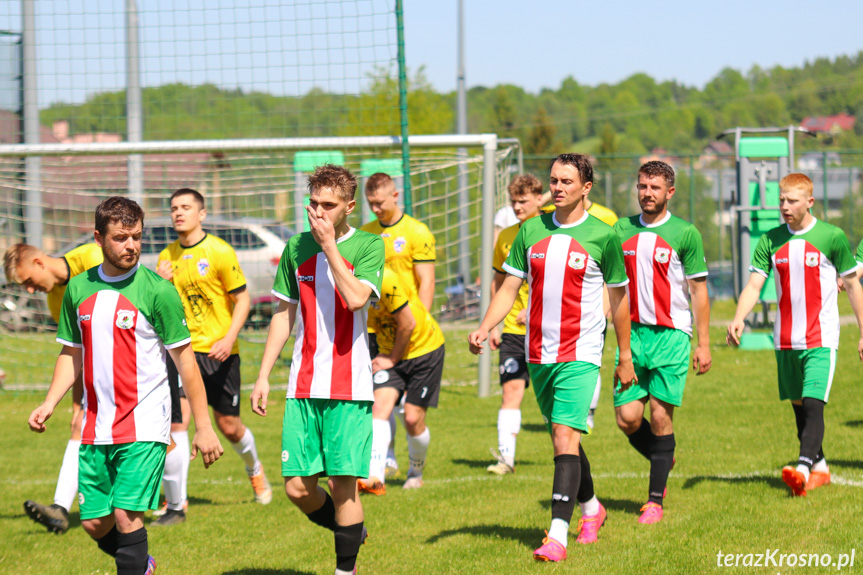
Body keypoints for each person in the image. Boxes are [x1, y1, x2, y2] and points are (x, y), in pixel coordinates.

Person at [27, 196, 223, 575]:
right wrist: (50, 401)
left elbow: (186, 362)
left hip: (145, 423)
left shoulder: (158, 291)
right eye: (121, 237)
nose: (131, 245)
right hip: (96, 426)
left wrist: (204, 426)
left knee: (125, 515)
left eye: (136, 236)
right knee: (93, 522)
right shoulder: (78, 289)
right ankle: (141, 566)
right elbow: (72, 353)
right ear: (98, 239)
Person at [469, 153, 635, 561]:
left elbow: (619, 300)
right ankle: (593, 508)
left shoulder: (604, 235)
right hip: (537, 350)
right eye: (554, 180)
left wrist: (625, 355)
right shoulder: (529, 231)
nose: (558, 187)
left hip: (581, 351)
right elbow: (509, 288)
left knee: (563, 434)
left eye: (566, 181)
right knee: (566, 439)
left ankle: (557, 535)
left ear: (586, 188)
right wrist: (487, 325)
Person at [251, 164, 384, 575]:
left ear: (348, 206)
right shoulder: (294, 248)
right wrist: (263, 375)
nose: (319, 212)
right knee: (296, 487)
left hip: (349, 385)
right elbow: (282, 315)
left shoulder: (367, 246)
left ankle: (346, 569)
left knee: (342, 485)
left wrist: (329, 246)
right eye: (314, 204)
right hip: (303, 384)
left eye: (329, 205)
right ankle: (351, 532)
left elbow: (357, 299)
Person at [727, 173, 863, 496]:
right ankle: (820, 467)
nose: (785, 207)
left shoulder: (832, 237)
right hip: (785, 340)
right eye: (782, 200)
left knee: (815, 405)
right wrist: (738, 317)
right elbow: (754, 285)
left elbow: (854, 286)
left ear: (810, 202)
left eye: (792, 201)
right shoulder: (771, 240)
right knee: (801, 410)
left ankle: (801, 468)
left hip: (821, 338)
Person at [153, 188, 271, 526]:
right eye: (174, 207)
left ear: (201, 214)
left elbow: (244, 300)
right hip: (181, 352)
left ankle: (254, 468)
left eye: (186, 207)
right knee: (177, 424)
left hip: (220, 353)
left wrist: (229, 337)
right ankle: (176, 506)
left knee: (228, 425)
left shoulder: (219, 251)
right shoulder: (166, 255)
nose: (178, 213)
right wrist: (160, 284)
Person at [612, 161, 711, 524]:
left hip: (671, 335)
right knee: (627, 417)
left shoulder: (685, 233)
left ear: (669, 192)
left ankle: (654, 500)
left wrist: (704, 343)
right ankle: (662, 457)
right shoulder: (620, 230)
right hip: (632, 335)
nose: (646, 193)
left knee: (659, 414)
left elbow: (698, 290)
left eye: (654, 188)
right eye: (642, 186)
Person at [4, 241, 103, 533]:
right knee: (79, 427)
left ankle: (172, 501)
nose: (30, 290)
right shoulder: (54, 301)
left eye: (29, 282)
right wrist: (76, 405)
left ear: (38, 262)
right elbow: (78, 352)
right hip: (100, 373)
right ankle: (60, 509)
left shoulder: (92, 258)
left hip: (139, 364)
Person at [361, 172, 436, 479]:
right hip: (377, 330)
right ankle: (379, 467)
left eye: (379, 203)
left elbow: (426, 281)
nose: (376, 209)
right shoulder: (364, 234)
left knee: (413, 417)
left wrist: (419, 321)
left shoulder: (416, 232)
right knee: (380, 401)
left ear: (395, 195)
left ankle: (415, 471)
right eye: (370, 204)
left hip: (413, 332)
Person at [360, 264, 445, 493]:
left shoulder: (384, 278)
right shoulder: (348, 283)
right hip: (389, 351)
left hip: (424, 350)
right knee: (378, 406)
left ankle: (415, 472)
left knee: (412, 419)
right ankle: (375, 477)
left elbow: (408, 323)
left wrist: (392, 358)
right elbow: (367, 326)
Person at [486, 174, 545, 475]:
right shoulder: (506, 236)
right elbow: (499, 282)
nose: (518, 206)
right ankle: (506, 459)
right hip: (512, 329)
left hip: (547, 330)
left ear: (538, 199)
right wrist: (494, 324)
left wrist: (537, 308)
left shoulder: (550, 231)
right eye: (513, 202)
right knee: (511, 391)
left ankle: (568, 451)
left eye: (523, 201)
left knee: (550, 396)